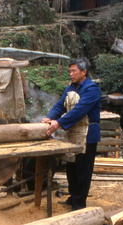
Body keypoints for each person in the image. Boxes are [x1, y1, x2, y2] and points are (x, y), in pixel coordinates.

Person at [42, 57, 101, 211]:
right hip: (73, 133)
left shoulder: (92, 89)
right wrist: (50, 117)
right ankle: (73, 198)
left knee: (83, 170)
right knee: (71, 169)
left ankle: (79, 204)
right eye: (70, 71)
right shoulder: (70, 88)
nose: (71, 74)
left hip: (87, 135)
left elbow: (79, 110)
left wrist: (59, 123)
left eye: (74, 71)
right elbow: (59, 105)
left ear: (84, 71)